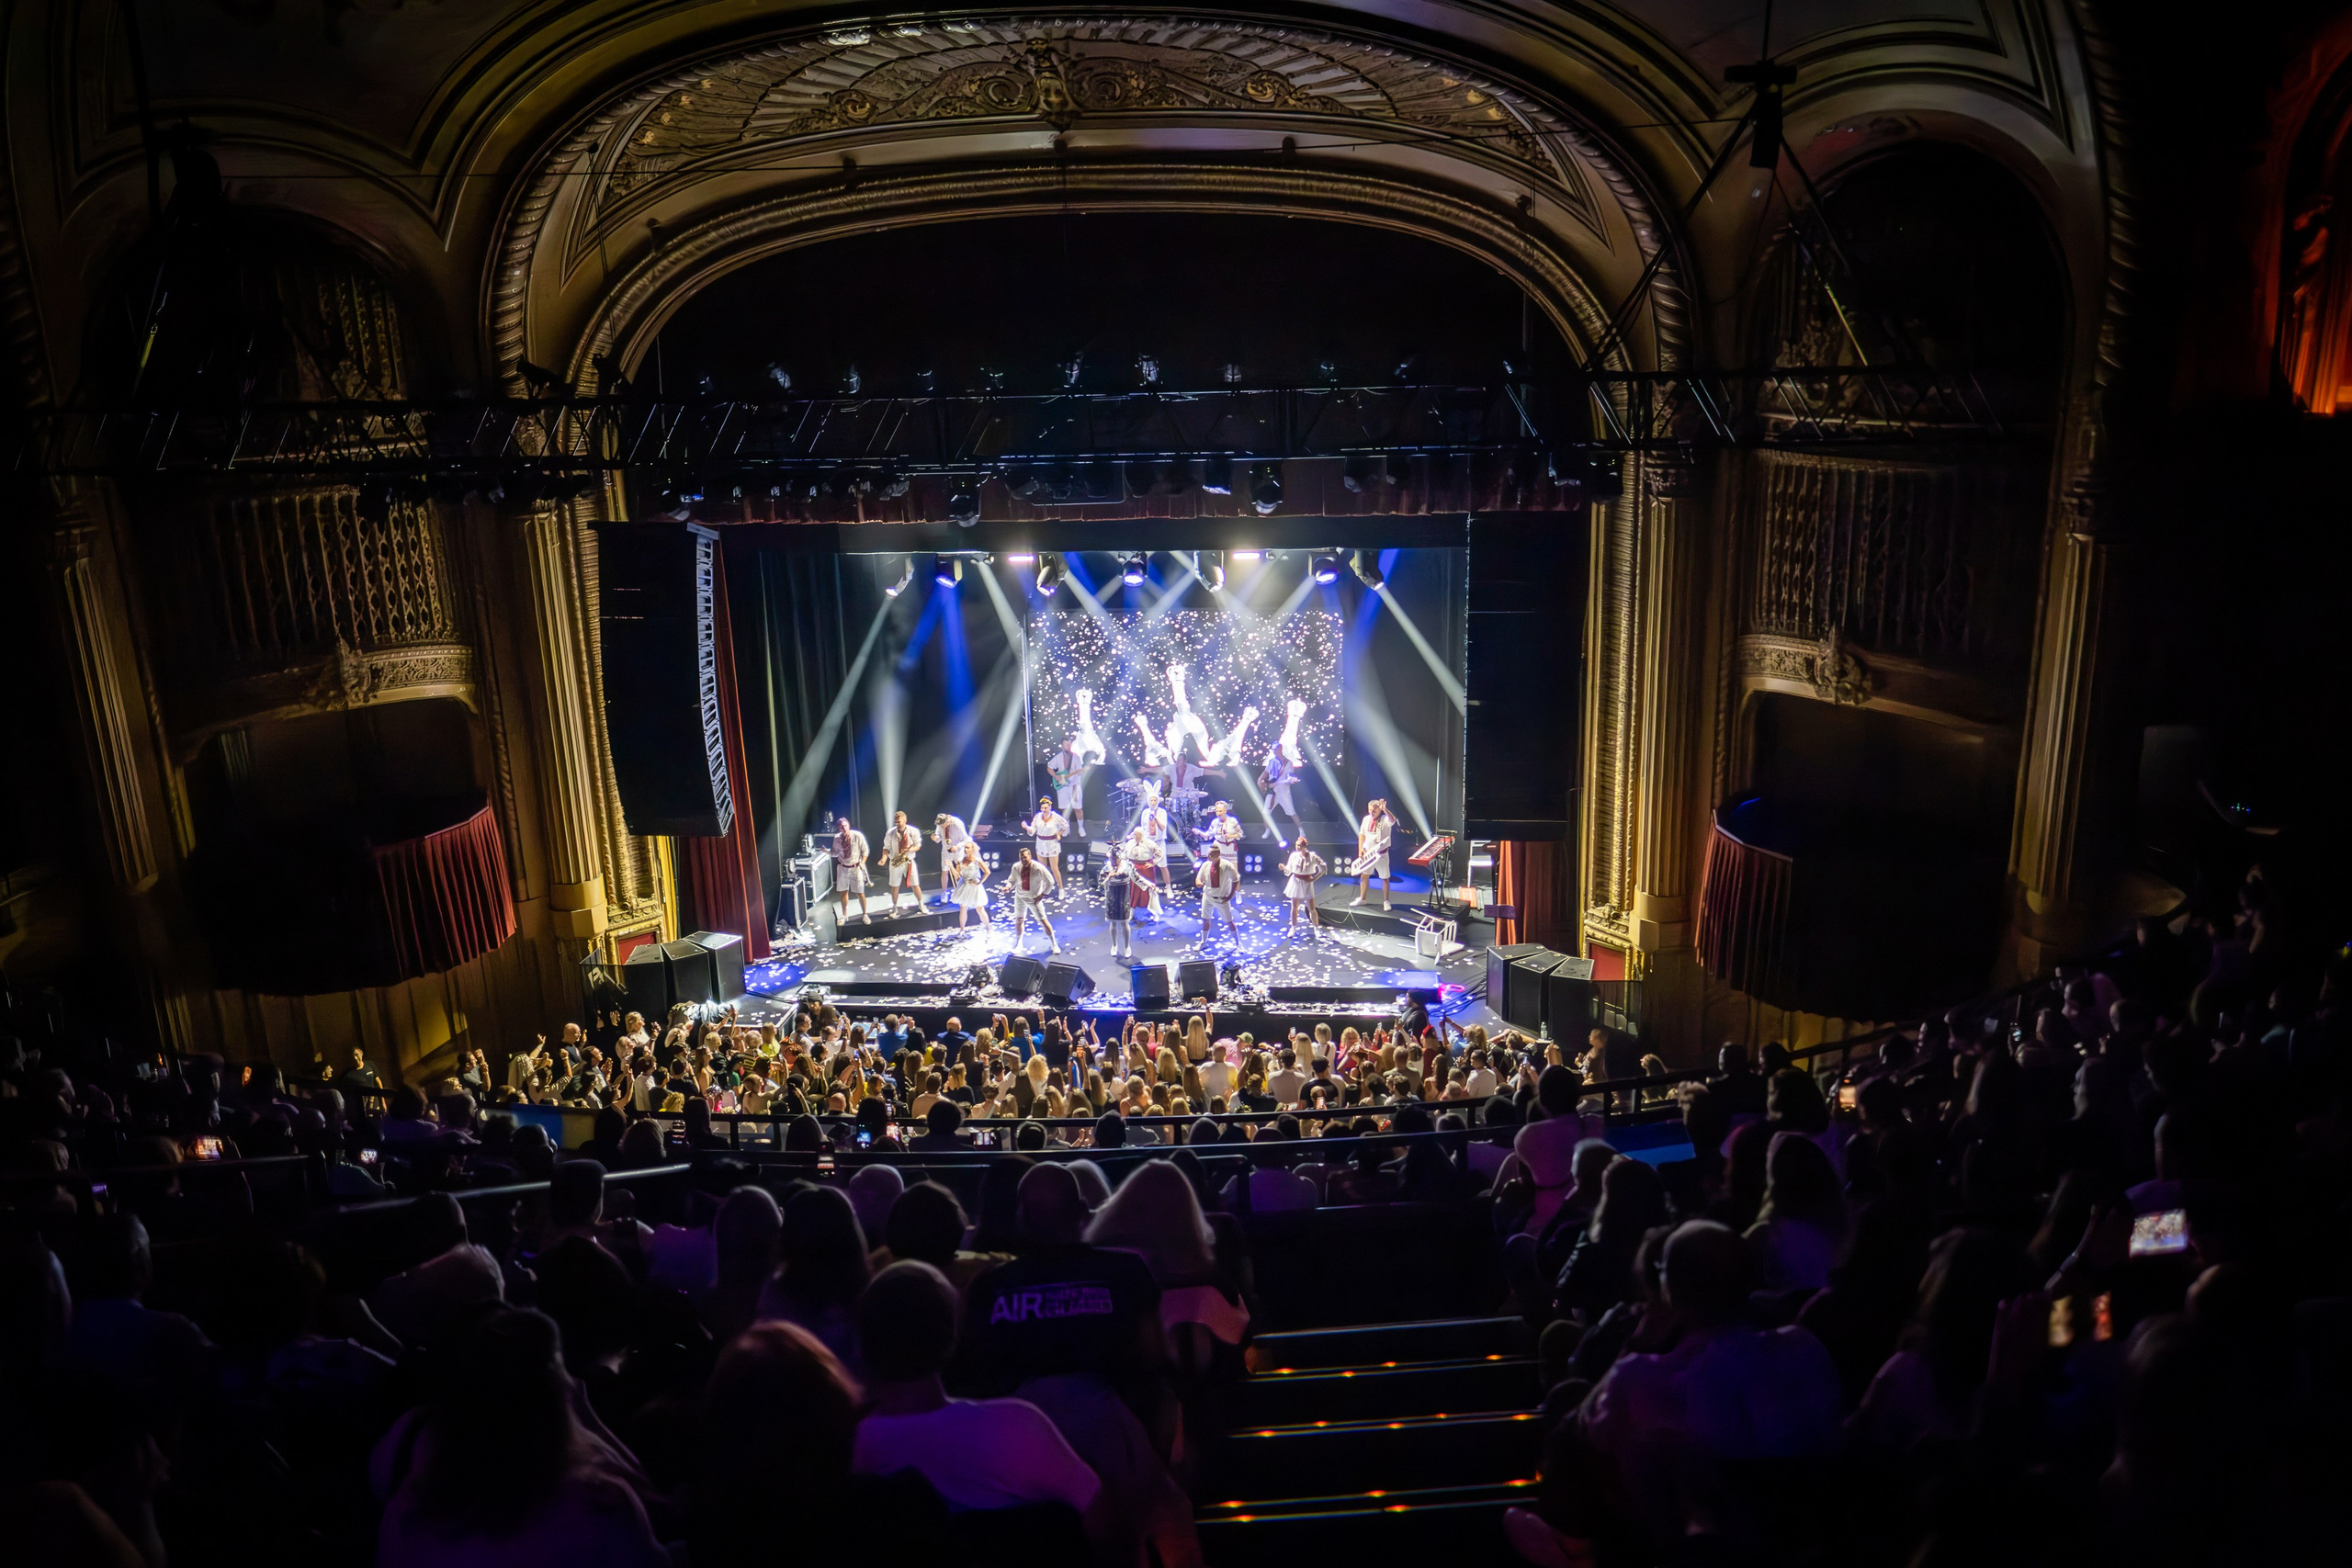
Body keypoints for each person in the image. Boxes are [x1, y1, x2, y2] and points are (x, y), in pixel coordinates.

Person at [377, 1307, 667, 1568]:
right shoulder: (600, 1505)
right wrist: (587, 1418)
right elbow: (657, 1513)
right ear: (557, 1393)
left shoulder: (409, 1508)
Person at [854, 1262, 1104, 1525]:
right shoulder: (1015, 1427)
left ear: (861, 1341)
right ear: (952, 1336)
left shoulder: (847, 1446)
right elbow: (1100, 1520)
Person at [1007, 847, 1060, 953]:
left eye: (1025, 857)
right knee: (1019, 920)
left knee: (1043, 920)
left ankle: (1054, 943)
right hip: (1020, 897)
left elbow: (1050, 881)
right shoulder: (1016, 867)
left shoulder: (1038, 868)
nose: (1023, 860)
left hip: (1033, 898)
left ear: (1030, 856)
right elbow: (1012, 880)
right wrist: (1008, 887)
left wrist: (1042, 895)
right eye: (1021, 858)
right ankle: (1019, 943)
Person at [1349, 797, 1395, 909]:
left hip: (1381, 854)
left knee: (1384, 877)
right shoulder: (1366, 819)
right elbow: (1362, 834)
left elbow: (1392, 820)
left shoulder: (1385, 819)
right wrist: (1360, 849)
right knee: (1364, 876)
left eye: (1374, 810)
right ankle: (1362, 898)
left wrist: (1385, 810)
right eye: (1370, 810)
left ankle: (1386, 901)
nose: (1371, 812)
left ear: (1379, 810)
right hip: (1368, 854)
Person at [829, 814, 873, 925]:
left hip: (856, 867)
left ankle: (865, 914)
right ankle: (844, 915)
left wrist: (863, 862)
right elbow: (835, 853)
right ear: (839, 828)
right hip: (843, 868)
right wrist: (827, 852)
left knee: (860, 892)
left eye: (846, 826)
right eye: (842, 827)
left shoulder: (857, 835)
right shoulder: (837, 838)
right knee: (844, 892)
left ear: (848, 825)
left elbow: (865, 850)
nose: (844, 828)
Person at [1193, 844, 1240, 944]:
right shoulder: (1206, 864)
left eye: (1211, 854)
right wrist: (1198, 882)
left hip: (1221, 899)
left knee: (1229, 921)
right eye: (1208, 854)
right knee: (1206, 919)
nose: (1208, 856)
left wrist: (1230, 895)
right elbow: (1199, 877)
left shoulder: (1227, 865)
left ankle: (1238, 943)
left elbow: (1236, 880)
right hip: (1207, 896)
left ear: (1217, 855)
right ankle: (1203, 942)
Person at [1260, 741, 1305, 844]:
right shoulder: (1271, 762)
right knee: (1265, 812)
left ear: (1280, 749)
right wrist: (1261, 780)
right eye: (1272, 749)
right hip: (1272, 793)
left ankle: (1301, 831)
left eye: (1275, 749)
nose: (1274, 751)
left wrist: (1280, 783)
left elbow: (1289, 780)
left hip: (1284, 794)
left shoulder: (1288, 763)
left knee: (1292, 812)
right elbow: (1266, 774)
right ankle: (1267, 830)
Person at [880, 810, 924, 911]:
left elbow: (918, 846)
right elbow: (886, 847)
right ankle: (894, 907)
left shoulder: (913, 831)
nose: (897, 823)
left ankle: (921, 904)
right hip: (895, 862)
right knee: (895, 886)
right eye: (895, 821)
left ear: (905, 820)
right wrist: (883, 858)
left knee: (915, 884)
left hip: (909, 861)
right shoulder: (890, 833)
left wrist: (909, 850)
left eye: (899, 821)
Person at [1281, 834, 1325, 935]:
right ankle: (1293, 928)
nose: (1297, 847)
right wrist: (1284, 868)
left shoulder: (1312, 856)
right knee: (1294, 907)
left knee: (1311, 908)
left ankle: (1316, 928)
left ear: (1304, 846)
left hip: (1307, 882)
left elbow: (1322, 868)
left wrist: (1314, 879)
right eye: (1296, 845)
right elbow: (1289, 870)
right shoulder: (1294, 856)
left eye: (1299, 845)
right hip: (1296, 882)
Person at [1025, 795, 1070, 893]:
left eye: (1045, 808)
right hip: (1041, 843)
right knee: (1043, 868)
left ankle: (1061, 889)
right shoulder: (1038, 817)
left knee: (1054, 868)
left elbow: (1065, 825)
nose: (1043, 810)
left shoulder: (1055, 817)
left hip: (1052, 843)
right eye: (1042, 808)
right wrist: (1026, 827)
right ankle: (1045, 887)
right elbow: (1032, 830)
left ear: (1050, 807)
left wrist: (1059, 834)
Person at [1048, 734, 1090, 837]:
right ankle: (1066, 827)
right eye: (1067, 745)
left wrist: (1080, 772)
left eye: (1070, 745)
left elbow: (1080, 773)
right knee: (1065, 809)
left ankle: (1081, 827)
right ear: (1062, 746)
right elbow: (1049, 767)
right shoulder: (1058, 757)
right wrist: (1056, 776)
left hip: (1075, 786)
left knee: (1078, 808)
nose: (1069, 747)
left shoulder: (1076, 757)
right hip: (1063, 787)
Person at [1103, 849, 1137, 962]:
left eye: (1116, 860)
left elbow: (1137, 877)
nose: (1114, 862)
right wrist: (1108, 877)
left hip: (1123, 897)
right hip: (1112, 897)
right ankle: (1114, 945)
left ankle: (1127, 946)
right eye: (1112, 860)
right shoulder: (1107, 868)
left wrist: (1148, 884)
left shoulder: (1128, 866)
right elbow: (1100, 884)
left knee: (1124, 922)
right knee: (1112, 922)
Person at [948, 839, 989, 931]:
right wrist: (951, 867)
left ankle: (988, 929)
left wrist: (979, 882)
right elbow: (957, 875)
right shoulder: (961, 860)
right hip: (964, 884)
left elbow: (987, 872)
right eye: (965, 848)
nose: (966, 850)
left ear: (972, 849)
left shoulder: (977, 860)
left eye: (968, 848)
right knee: (963, 907)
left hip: (974, 885)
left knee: (979, 909)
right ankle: (962, 930)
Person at [933, 811, 973, 904]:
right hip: (946, 849)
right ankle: (944, 892)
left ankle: (964, 891)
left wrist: (958, 846)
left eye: (942, 826)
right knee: (944, 870)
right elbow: (938, 836)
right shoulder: (940, 824)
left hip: (958, 850)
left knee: (961, 870)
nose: (941, 827)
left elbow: (966, 839)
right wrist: (935, 837)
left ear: (947, 822)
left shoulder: (957, 823)